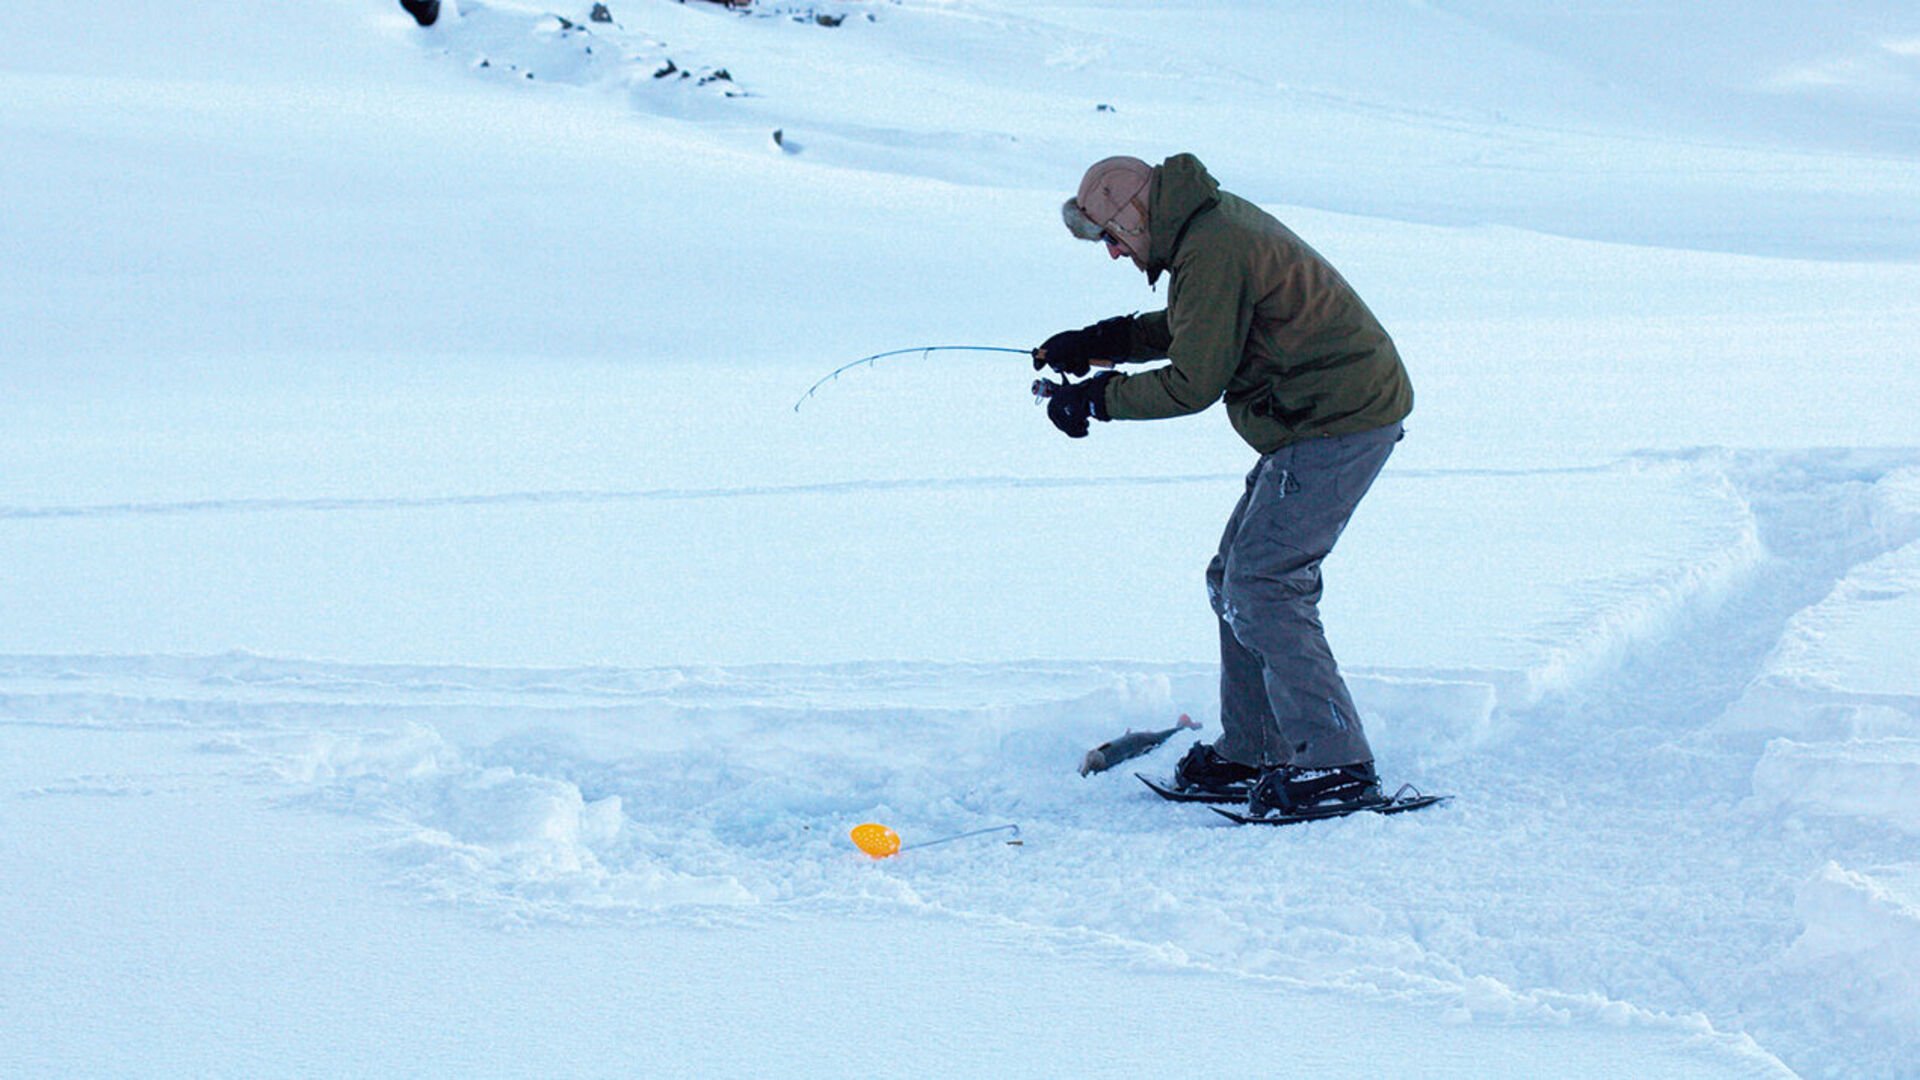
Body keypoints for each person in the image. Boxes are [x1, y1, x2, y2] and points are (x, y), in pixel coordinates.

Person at [1036, 153, 1412, 818]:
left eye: (1113, 239)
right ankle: (1257, 748)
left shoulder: (1212, 244)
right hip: (1313, 418)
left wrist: (1098, 400)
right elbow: (1200, 326)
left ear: (1132, 216)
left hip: (1338, 420)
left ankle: (1337, 762)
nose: (1115, 254)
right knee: (1232, 578)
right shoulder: (1204, 232)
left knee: (1264, 583)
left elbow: (1194, 380)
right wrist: (1101, 342)